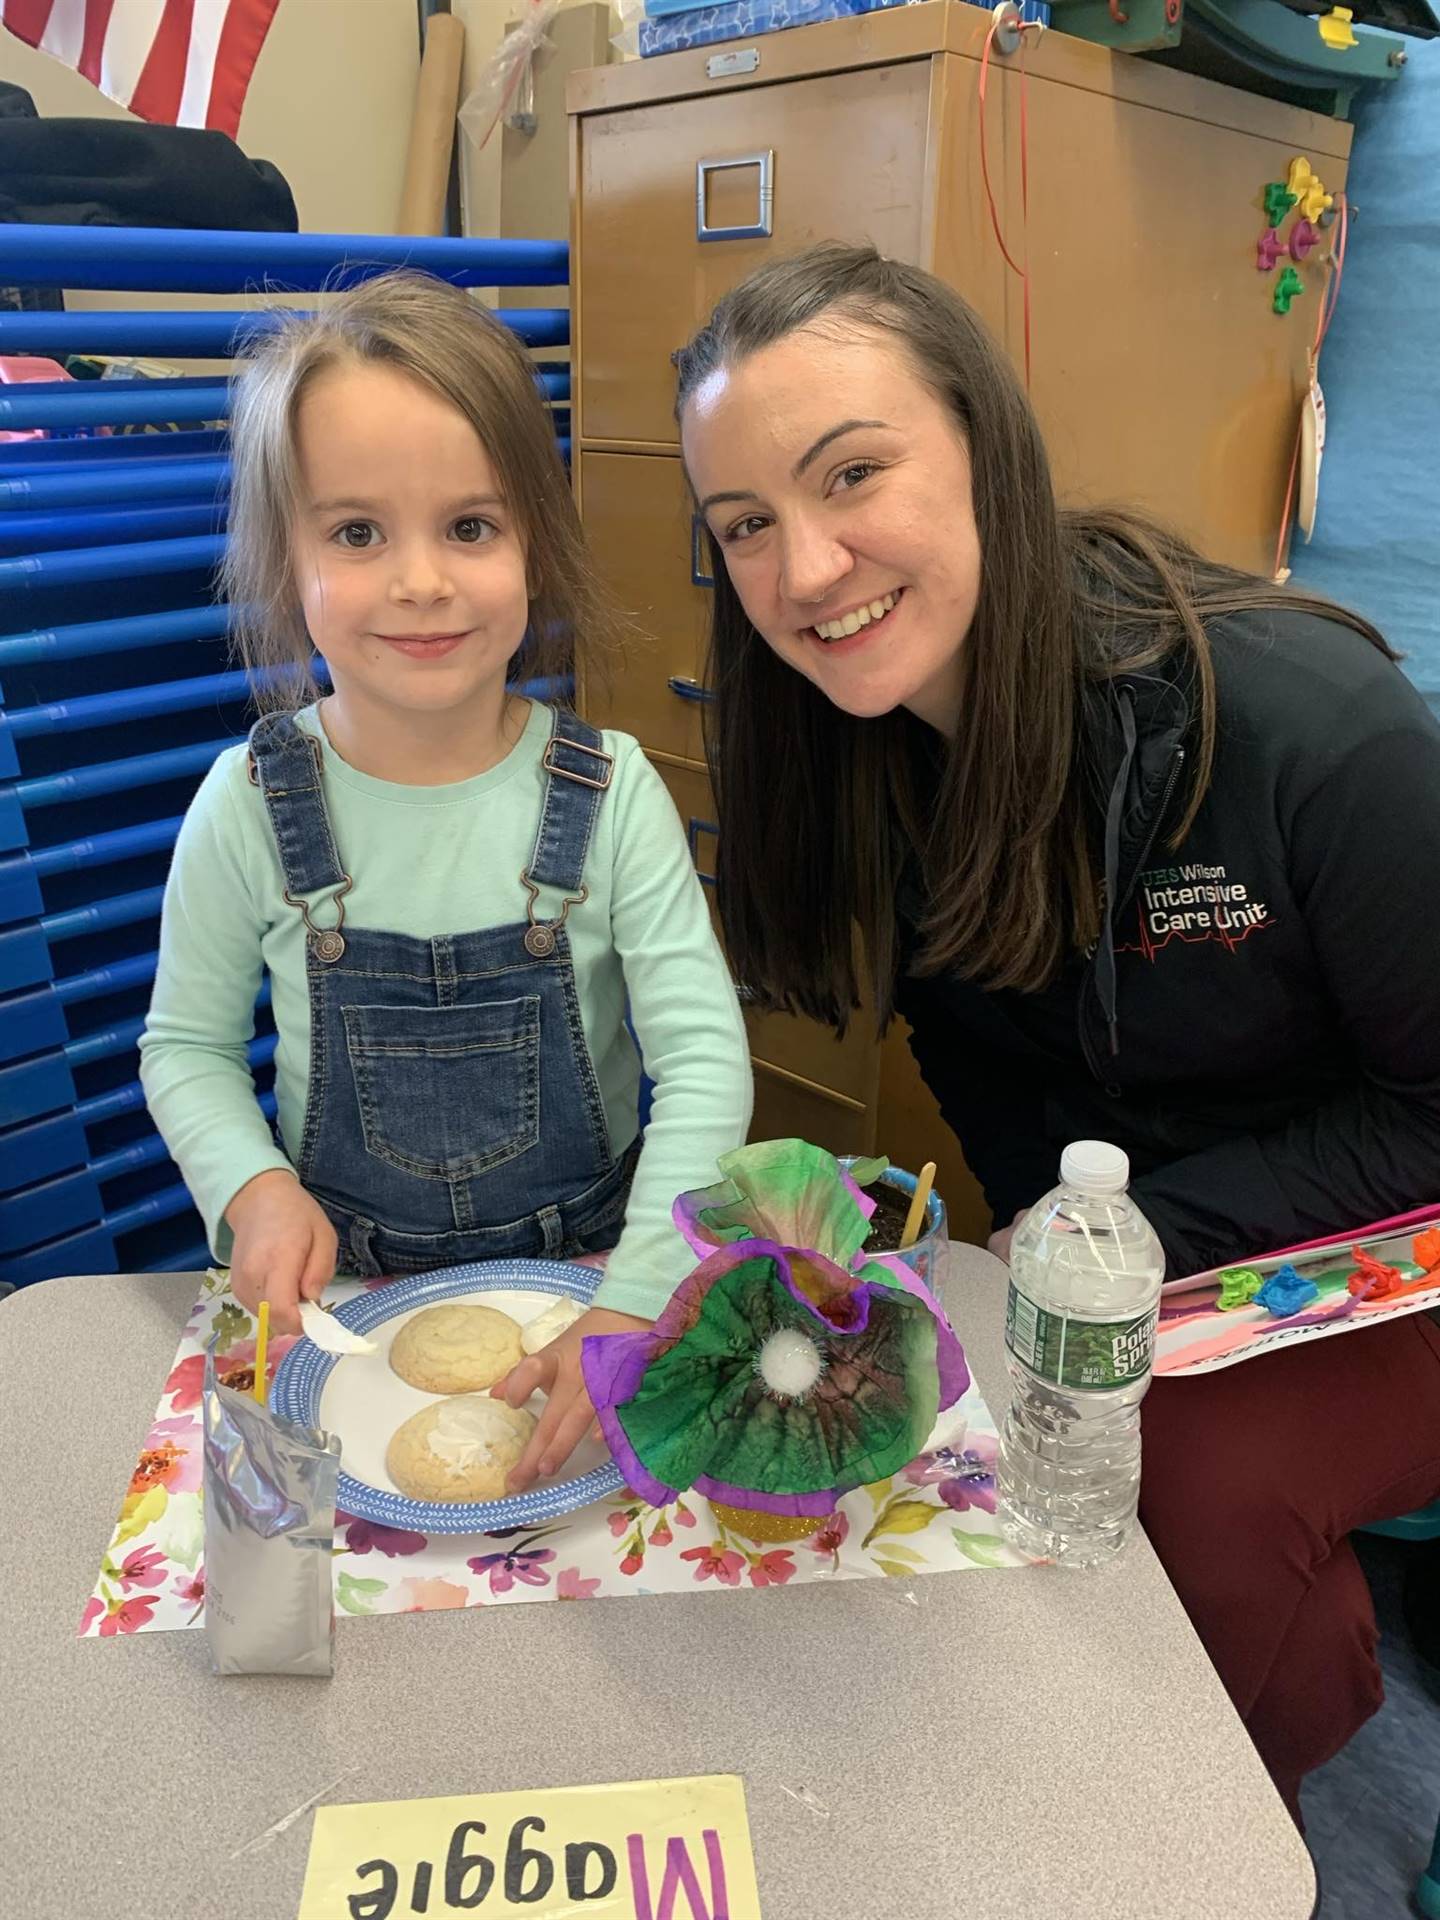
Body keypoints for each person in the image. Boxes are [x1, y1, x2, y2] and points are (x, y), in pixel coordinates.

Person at [673, 241, 1440, 1821]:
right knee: (936, 1423)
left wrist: (1118, 1241)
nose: (806, 569)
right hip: (1144, 1242)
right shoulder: (864, 753)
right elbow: (994, 1088)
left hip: (1404, 1228)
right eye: (746, 527)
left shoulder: (1310, 727)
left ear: (986, 449)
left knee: (1197, 1491)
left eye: (854, 474)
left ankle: (1217, 1818)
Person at [140, 270, 751, 1485]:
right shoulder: (248, 803)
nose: (420, 580)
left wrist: (638, 1291)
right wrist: (253, 1189)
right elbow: (186, 1048)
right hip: (345, 1304)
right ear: (287, 560)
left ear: (534, 541)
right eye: (358, 533)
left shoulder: (612, 788)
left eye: (469, 526)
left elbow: (703, 1062)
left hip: (591, 1287)